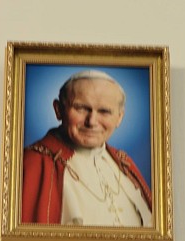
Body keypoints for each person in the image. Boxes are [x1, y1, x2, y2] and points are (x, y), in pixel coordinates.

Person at [22, 70, 152, 227]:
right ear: (58, 110)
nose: (92, 121)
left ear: (119, 117)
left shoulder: (124, 162)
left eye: (104, 111)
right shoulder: (31, 163)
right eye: (81, 108)